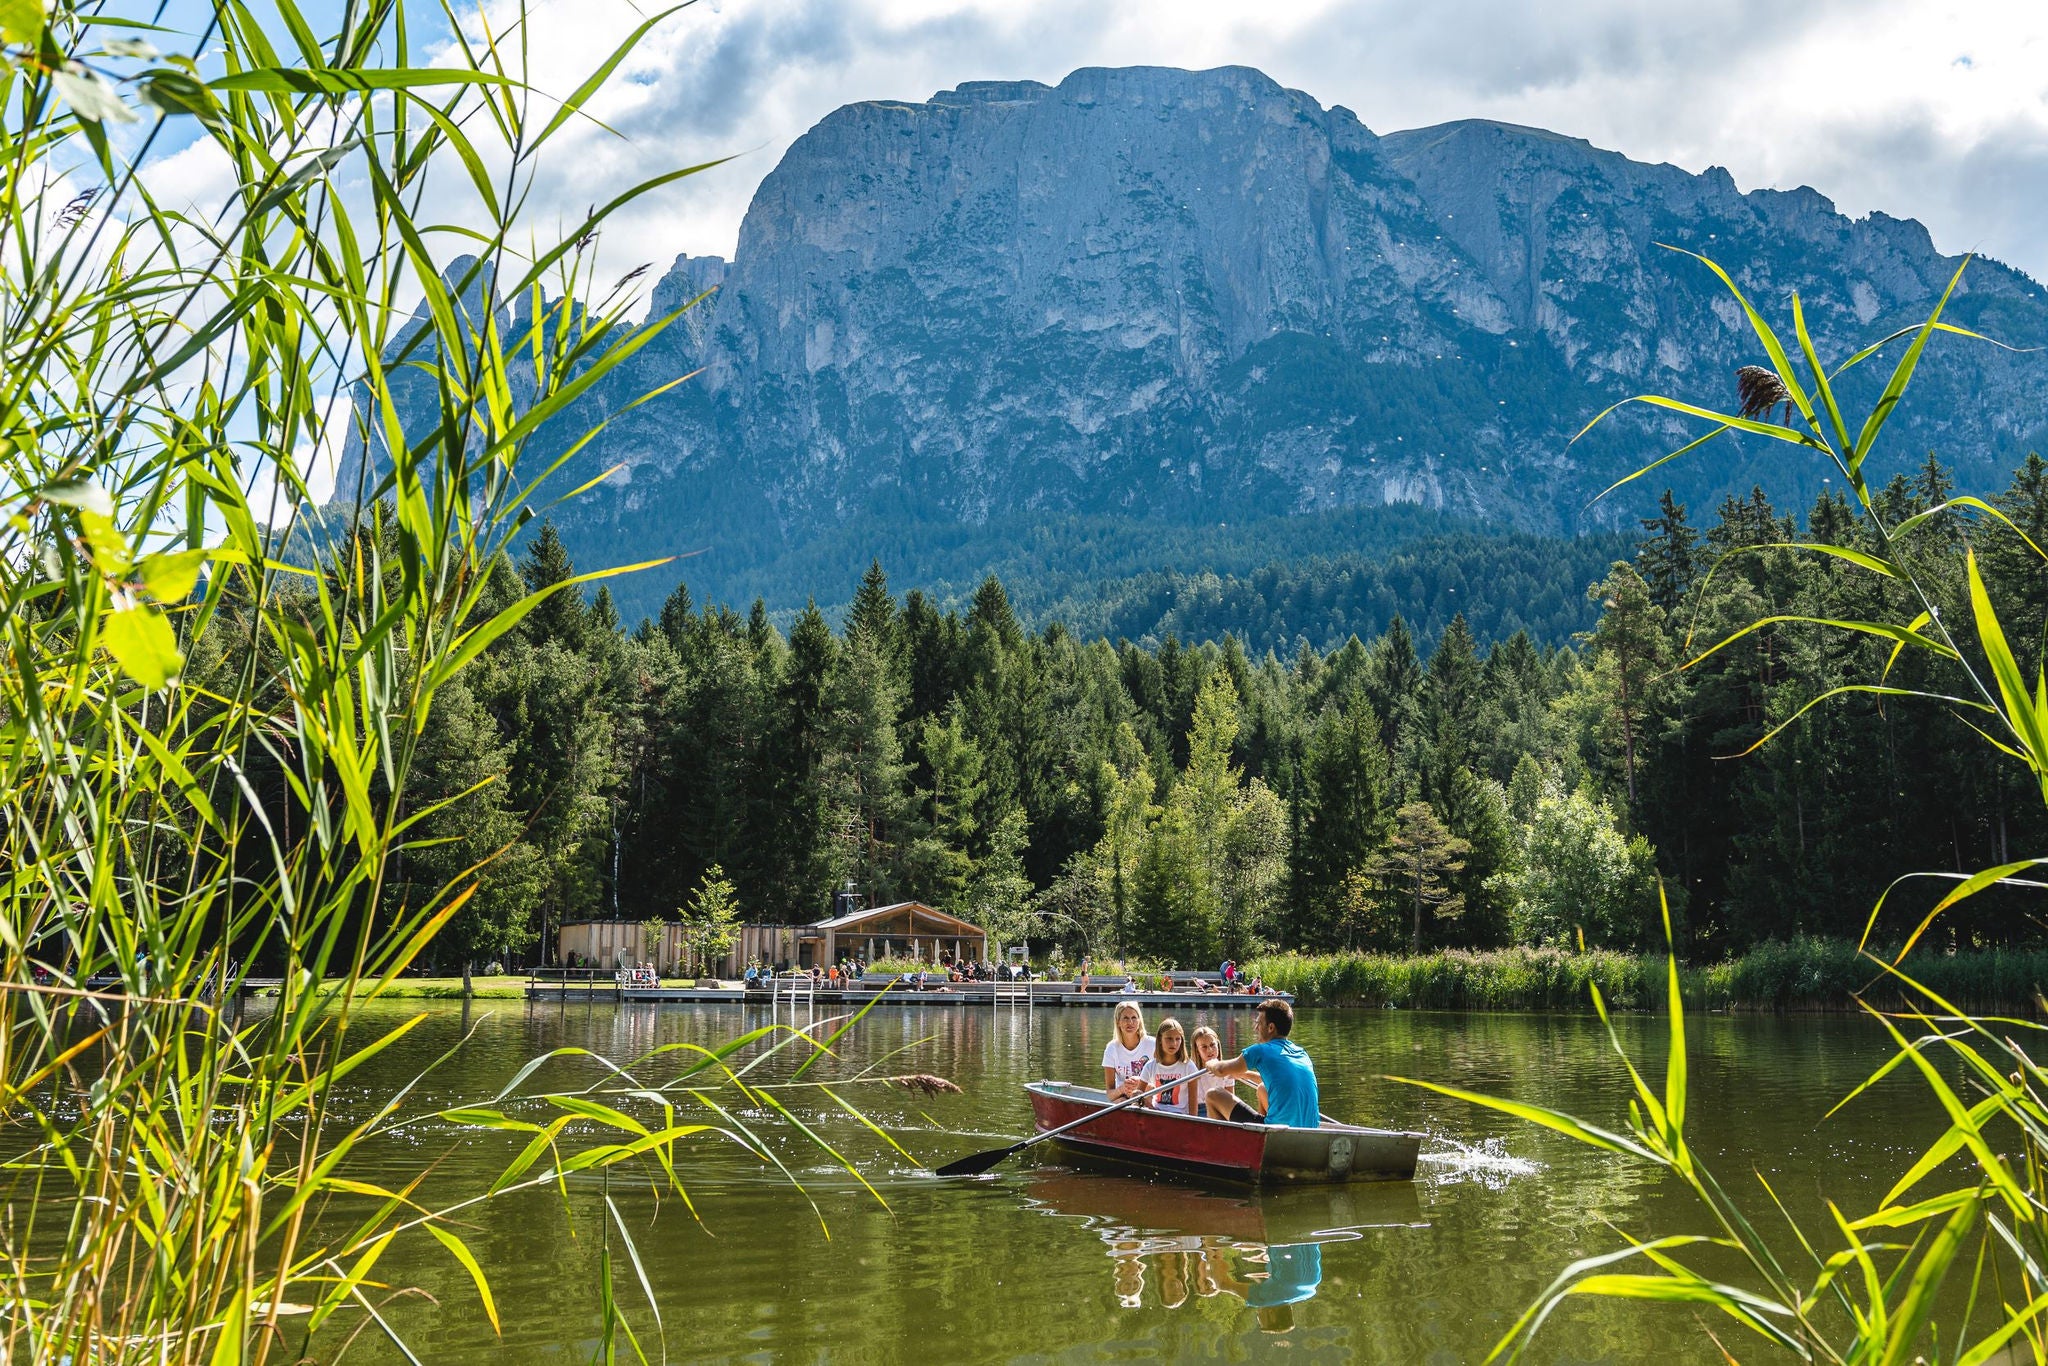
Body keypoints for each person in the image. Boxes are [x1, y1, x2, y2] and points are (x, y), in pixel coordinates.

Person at [1201, 998, 1317, 1128]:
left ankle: (1221, 1146)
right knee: (1262, 1088)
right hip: (1309, 1131)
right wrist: (1245, 1074)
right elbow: (1278, 1081)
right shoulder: (1301, 1053)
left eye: (1258, 1023)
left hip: (1277, 1134)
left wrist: (1211, 1063)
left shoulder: (1260, 1050)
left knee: (1213, 1094)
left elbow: (1221, 1070)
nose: (1255, 1028)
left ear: (1271, 1027)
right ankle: (1256, 1136)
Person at [1190, 1025, 1264, 1122]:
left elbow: (1230, 1099)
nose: (1209, 1050)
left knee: (1262, 1088)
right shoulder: (1191, 1070)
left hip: (1220, 1109)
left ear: (1218, 1045)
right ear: (1197, 1051)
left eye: (1212, 1045)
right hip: (1198, 1111)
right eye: (1204, 1047)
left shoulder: (1226, 1070)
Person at [1142, 1017, 1200, 1112]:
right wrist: (1136, 1095)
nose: (1174, 1043)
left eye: (1178, 1039)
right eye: (1169, 1038)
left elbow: (1193, 1104)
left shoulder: (1188, 1066)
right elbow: (1139, 1093)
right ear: (1160, 1039)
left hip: (1179, 1117)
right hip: (1156, 1114)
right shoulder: (1150, 1066)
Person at [1101, 1001, 1154, 1099]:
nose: (1130, 1022)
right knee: (1120, 1101)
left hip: (1149, 1098)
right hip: (1124, 1100)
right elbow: (1110, 1094)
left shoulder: (1153, 1045)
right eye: (1125, 1018)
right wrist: (1122, 1089)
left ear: (1139, 1021)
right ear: (1118, 1022)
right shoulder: (1111, 1048)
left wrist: (1141, 1085)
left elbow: (1163, 1087)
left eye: (1134, 1018)